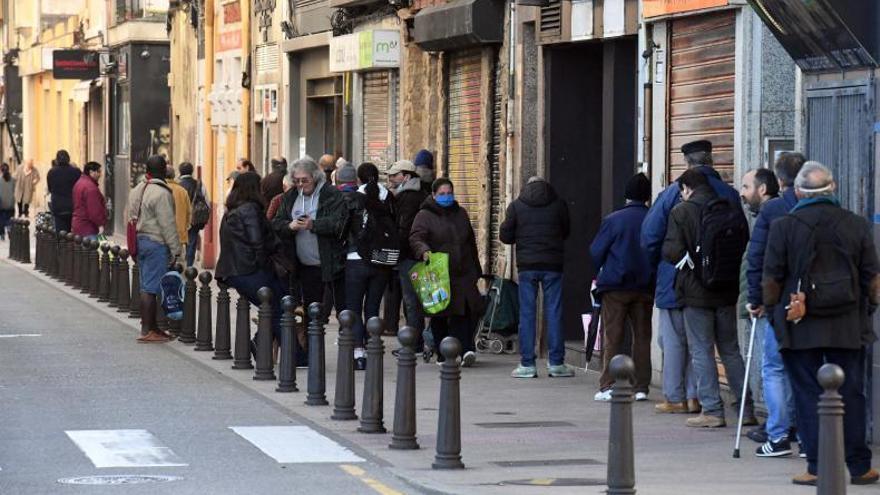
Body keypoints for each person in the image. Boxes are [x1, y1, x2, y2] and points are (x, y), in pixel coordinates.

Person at [763, 161, 879, 486]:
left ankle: (816, 466)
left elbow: (772, 276)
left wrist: (775, 315)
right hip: (848, 323)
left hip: (800, 324)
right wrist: (866, 310)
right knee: (852, 393)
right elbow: (872, 276)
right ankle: (859, 467)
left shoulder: (785, 225)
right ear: (833, 189)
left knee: (807, 394)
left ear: (799, 191)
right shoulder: (856, 225)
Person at [642, 139, 741, 415]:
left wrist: (657, 269)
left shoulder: (676, 193)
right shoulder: (730, 194)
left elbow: (651, 236)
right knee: (723, 346)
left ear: (687, 164)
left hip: (680, 278)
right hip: (723, 281)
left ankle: (677, 397)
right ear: (711, 161)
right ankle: (710, 399)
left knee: (676, 339)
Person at [662, 169, 754, 428]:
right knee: (731, 351)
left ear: (687, 188)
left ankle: (712, 410)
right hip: (727, 291)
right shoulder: (732, 208)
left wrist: (690, 268)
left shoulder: (682, 212)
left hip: (696, 293)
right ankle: (746, 410)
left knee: (701, 349)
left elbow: (671, 250)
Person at [741, 164, 799, 457]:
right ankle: (802, 429)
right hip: (809, 302)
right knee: (802, 367)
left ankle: (777, 433)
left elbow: (758, 257)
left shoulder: (772, 210)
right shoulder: (823, 209)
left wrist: (755, 298)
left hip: (775, 303)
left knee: (774, 367)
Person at [500, 176, 573, 378]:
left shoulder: (517, 206)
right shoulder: (559, 205)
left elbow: (505, 236)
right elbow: (566, 231)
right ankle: (557, 363)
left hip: (527, 266)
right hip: (553, 265)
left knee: (527, 314)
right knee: (554, 312)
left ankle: (527, 364)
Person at [589, 173, 654, 398]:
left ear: (626, 195)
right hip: (645, 287)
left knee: (613, 336)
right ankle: (641, 387)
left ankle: (608, 385)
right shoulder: (653, 218)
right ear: (647, 196)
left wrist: (603, 269)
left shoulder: (613, 220)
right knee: (643, 337)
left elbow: (596, 252)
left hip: (615, 287)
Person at [216, 172, 291, 356]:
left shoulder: (232, 210)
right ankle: (289, 353)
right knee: (277, 306)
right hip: (248, 269)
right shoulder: (249, 209)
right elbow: (257, 242)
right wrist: (266, 266)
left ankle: (262, 344)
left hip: (236, 269)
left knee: (277, 304)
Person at [410, 178, 482, 367]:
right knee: (440, 314)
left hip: (463, 271)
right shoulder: (424, 215)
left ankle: (467, 349)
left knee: (465, 311)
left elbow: (471, 242)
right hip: (440, 273)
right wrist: (423, 251)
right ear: (433, 195)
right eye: (442, 194)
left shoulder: (461, 213)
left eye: (449, 192)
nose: (446, 196)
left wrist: (476, 270)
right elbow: (416, 237)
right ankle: (444, 354)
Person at [271, 157, 347, 330]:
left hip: (332, 262)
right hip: (304, 265)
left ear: (315, 177)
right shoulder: (290, 196)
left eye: (305, 180)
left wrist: (314, 225)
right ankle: (310, 352)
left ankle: (351, 349)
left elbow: (339, 223)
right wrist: (289, 226)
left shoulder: (330, 194)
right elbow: (276, 223)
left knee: (344, 310)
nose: (300, 184)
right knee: (311, 312)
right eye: (296, 181)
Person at [343, 163, 396, 370]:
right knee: (373, 307)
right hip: (381, 261)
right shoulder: (389, 197)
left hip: (356, 259)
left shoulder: (353, 198)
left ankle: (359, 353)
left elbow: (343, 227)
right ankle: (373, 347)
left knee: (354, 307)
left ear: (358, 179)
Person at [128, 155, 181, 343]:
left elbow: (129, 216)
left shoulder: (137, 189)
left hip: (140, 241)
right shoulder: (161, 193)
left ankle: (153, 327)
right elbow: (167, 224)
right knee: (150, 288)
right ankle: (147, 330)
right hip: (156, 243)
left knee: (146, 285)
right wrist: (176, 250)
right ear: (163, 170)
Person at [388, 160, 429, 349]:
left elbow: (403, 229)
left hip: (409, 255)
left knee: (411, 301)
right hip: (417, 253)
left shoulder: (407, 198)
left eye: (394, 175)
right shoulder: (419, 194)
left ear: (406, 176)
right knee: (415, 300)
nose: (390, 179)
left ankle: (413, 342)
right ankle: (416, 339)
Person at [177, 162, 207, 267]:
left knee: (179, 241)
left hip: (179, 218)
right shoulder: (199, 184)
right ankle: (189, 266)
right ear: (192, 171)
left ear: (180, 171)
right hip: (194, 218)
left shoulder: (176, 184)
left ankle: (178, 266)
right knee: (192, 241)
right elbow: (206, 200)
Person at [71, 161, 107, 241]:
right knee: (91, 252)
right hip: (88, 228)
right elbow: (94, 210)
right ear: (91, 172)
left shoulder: (79, 183)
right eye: (98, 171)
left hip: (78, 225)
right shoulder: (90, 188)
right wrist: (100, 225)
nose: (100, 174)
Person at [46, 150, 81, 233]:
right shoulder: (76, 172)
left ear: (57, 160)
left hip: (58, 207)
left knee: (61, 233)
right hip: (73, 206)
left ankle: (61, 245)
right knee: (74, 234)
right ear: (69, 159)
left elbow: (50, 189)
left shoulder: (51, 172)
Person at [166, 165, 192, 261]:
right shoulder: (182, 191)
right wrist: (185, 227)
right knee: (178, 265)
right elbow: (189, 213)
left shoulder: (158, 189)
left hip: (161, 237)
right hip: (179, 236)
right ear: (174, 175)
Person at [0, 163, 14, 240]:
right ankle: (9, 229)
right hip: (10, 203)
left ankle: (2, 234)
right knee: (9, 219)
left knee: (1, 220)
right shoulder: (13, 180)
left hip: (1, 204)